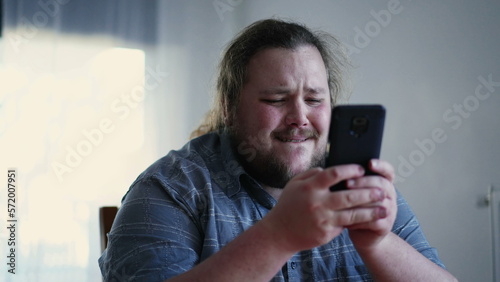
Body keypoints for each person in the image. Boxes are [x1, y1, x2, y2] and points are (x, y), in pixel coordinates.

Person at [99, 19, 457, 281]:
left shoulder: (359, 187)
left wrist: (377, 244)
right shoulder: (169, 191)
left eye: (315, 99)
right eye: (276, 99)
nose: (300, 118)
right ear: (228, 106)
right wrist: (279, 235)